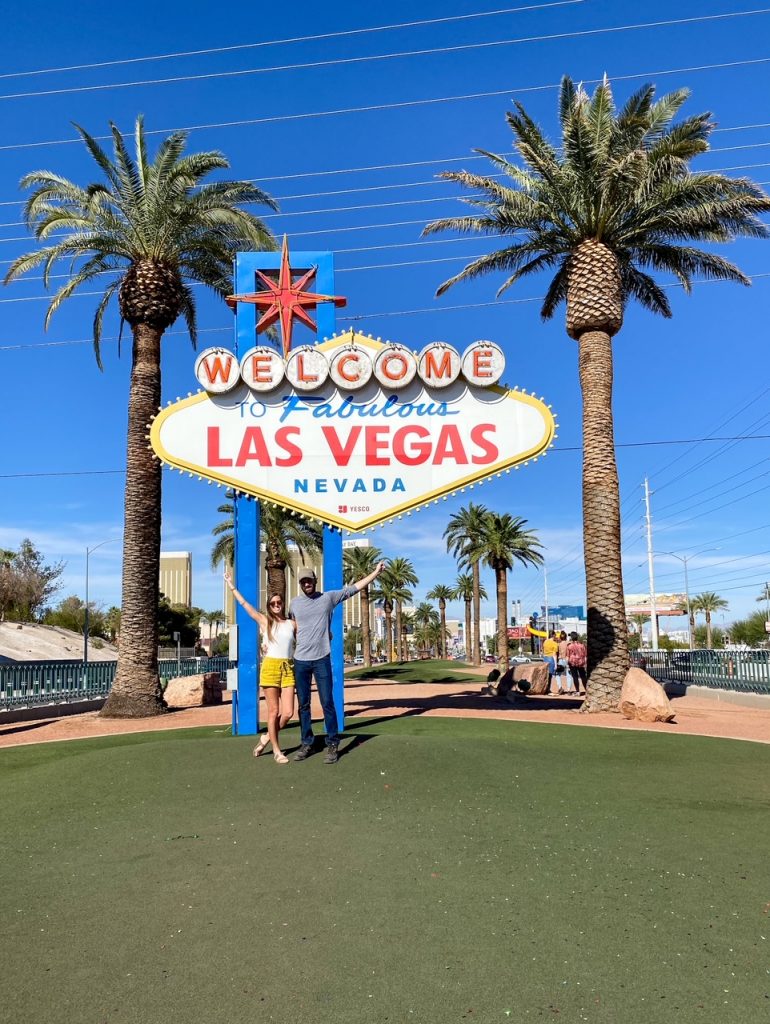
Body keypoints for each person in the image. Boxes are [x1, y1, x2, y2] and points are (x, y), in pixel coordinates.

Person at [291, 561, 385, 764]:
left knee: (327, 703)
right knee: (303, 705)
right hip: (300, 660)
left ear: (315, 581)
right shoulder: (294, 604)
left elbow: (355, 588)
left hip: (321, 658)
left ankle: (333, 743)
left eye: (309, 580)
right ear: (300, 584)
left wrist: (375, 572)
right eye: (303, 581)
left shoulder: (328, 598)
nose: (307, 583)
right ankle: (307, 743)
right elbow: (293, 627)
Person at [224, 569, 297, 765]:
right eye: (272, 603)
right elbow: (245, 605)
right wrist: (231, 586)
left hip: (288, 668)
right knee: (273, 712)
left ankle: (265, 738)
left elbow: (308, 635)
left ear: (283, 604)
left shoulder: (292, 623)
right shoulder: (265, 622)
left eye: (279, 603)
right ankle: (276, 750)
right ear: (268, 606)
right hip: (270, 667)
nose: (276, 605)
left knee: (288, 712)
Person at [542, 630, 560, 694]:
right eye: (555, 635)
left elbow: (543, 651)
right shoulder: (555, 644)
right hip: (551, 659)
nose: (555, 636)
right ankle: (548, 689)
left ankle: (545, 688)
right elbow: (554, 655)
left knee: (545, 675)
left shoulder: (545, 642)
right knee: (550, 676)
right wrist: (555, 664)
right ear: (553, 635)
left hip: (545, 658)